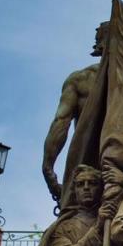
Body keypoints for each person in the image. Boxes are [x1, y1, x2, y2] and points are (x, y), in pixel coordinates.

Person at [42, 22, 109, 202]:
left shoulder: (81, 79)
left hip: (90, 163)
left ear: (99, 45)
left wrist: (48, 168)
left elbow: (60, 122)